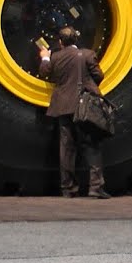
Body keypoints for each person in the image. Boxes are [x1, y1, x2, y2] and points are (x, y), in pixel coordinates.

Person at [39, 26, 109, 198]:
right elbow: (99, 76)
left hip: (63, 107)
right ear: (76, 40)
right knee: (91, 145)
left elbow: (44, 72)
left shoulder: (55, 57)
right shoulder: (87, 55)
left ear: (60, 42)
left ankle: (68, 188)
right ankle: (95, 187)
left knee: (67, 148)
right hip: (83, 106)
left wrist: (45, 57)